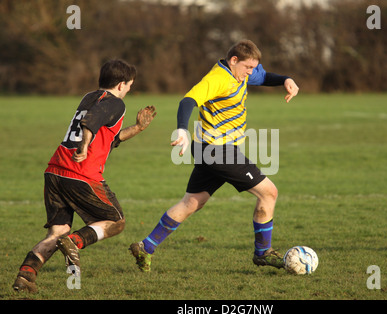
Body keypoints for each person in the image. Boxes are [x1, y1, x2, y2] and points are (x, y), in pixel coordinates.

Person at [130, 40, 299, 272]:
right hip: (218, 150)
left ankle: (145, 246)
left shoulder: (241, 73)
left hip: (207, 149)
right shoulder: (218, 78)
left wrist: (285, 80)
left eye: (253, 67)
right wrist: (181, 128)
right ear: (234, 61)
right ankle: (263, 253)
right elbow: (188, 100)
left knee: (191, 203)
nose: (251, 72)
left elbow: (265, 76)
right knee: (269, 193)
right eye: (248, 67)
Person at [12, 59, 157, 293]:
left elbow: (112, 139)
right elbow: (90, 123)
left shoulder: (89, 97)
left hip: (55, 171)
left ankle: (26, 275)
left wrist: (138, 128)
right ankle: (75, 243)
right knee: (117, 222)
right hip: (80, 174)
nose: (130, 89)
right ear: (121, 85)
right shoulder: (115, 104)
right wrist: (84, 147)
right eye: (130, 85)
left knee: (57, 232)